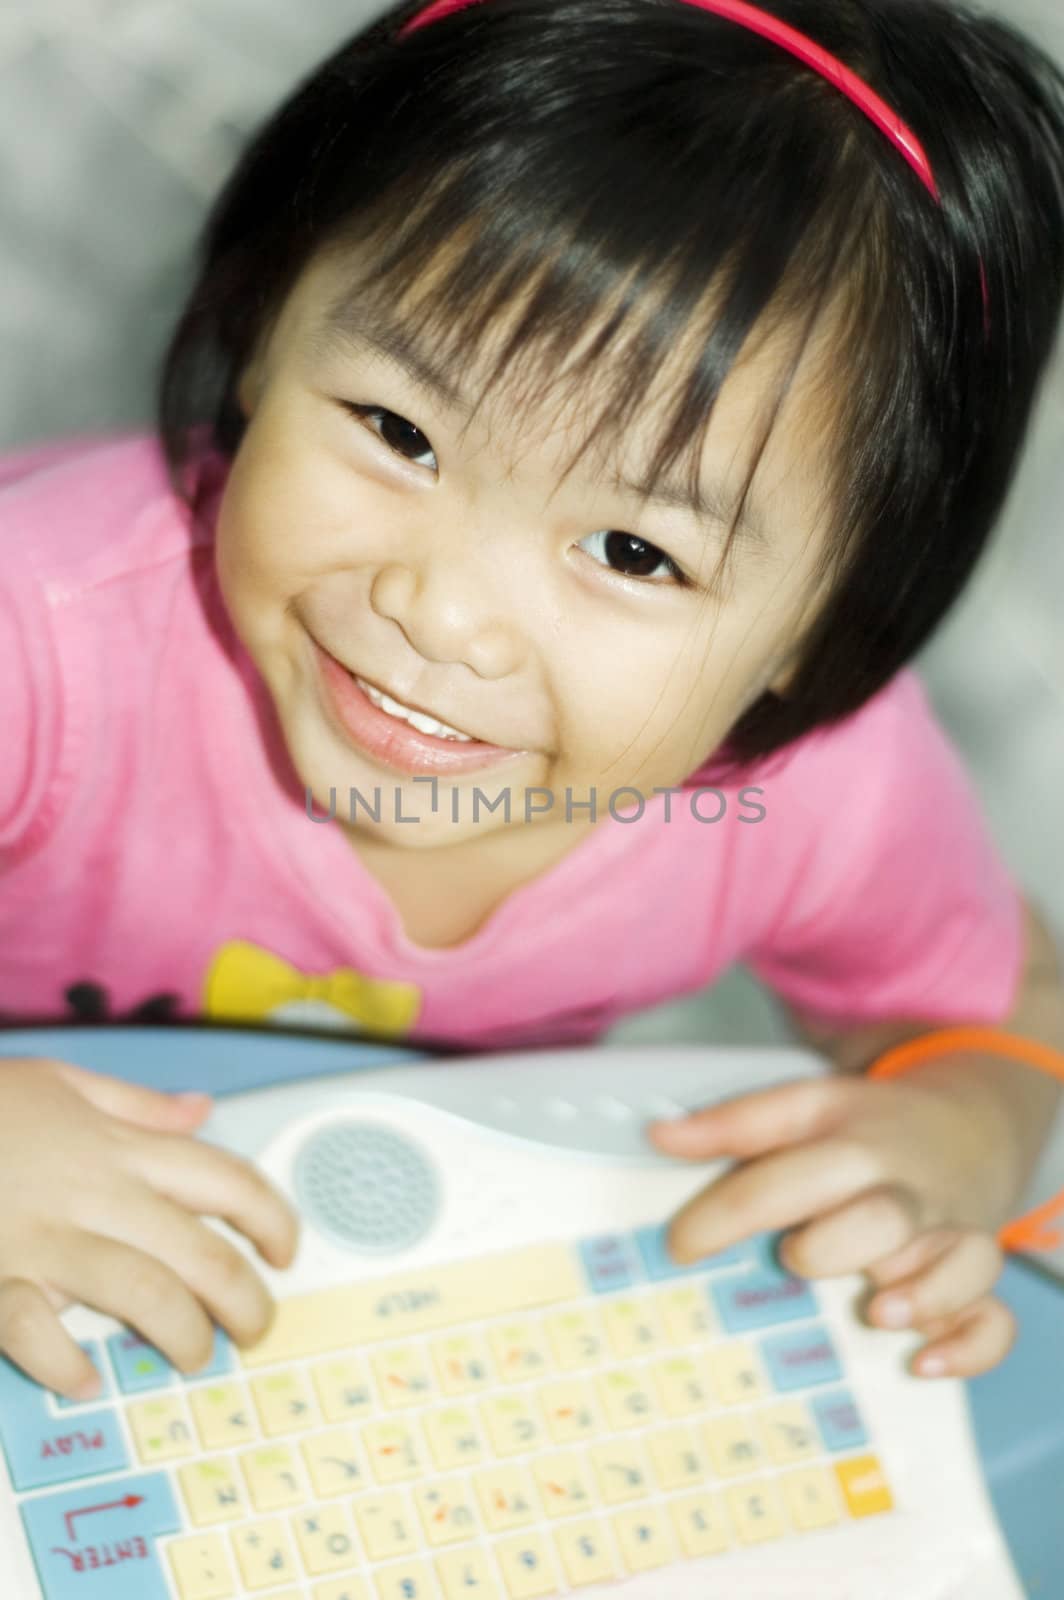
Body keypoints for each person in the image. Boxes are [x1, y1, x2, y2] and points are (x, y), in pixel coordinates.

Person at [1, 0, 1063, 1403]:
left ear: (827, 621)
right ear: (265, 325)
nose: (441, 612)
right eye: (398, 431)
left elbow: (996, 1006)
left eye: (634, 552)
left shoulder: (820, 796)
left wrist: (962, 1126)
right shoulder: (44, 634)